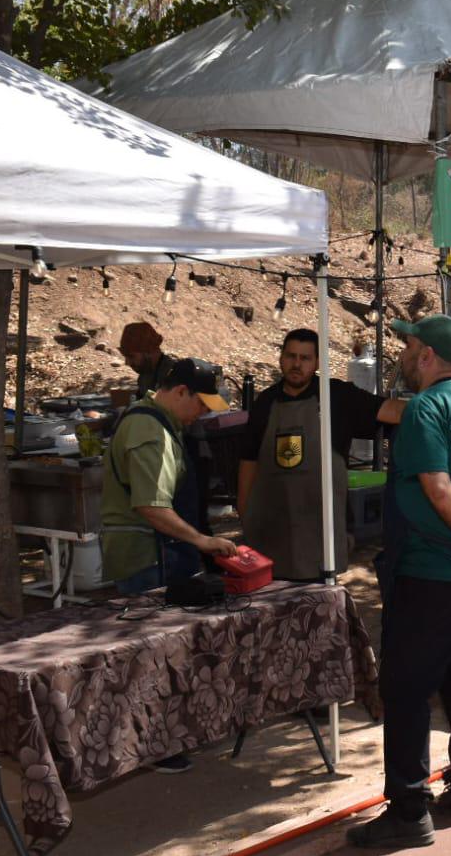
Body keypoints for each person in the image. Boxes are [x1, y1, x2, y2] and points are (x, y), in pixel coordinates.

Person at [347, 315, 451, 852]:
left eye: (407, 345)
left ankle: (408, 808)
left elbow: (436, 485)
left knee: (404, 689)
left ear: (425, 355)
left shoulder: (425, 408)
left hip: (429, 572)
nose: (401, 353)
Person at [100, 357, 239, 773]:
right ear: (180, 392)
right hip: (149, 555)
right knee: (152, 655)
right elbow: (150, 504)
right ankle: (152, 744)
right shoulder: (148, 429)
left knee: (165, 651)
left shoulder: (164, 424)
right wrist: (202, 541)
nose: (203, 413)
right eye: (200, 403)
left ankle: (164, 736)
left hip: (162, 552)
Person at [237, 328, 405, 582]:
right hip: (271, 534)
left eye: (305, 358)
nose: (296, 364)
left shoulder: (337, 397)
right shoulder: (265, 403)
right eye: (291, 356)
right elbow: (248, 461)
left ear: (317, 362)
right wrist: (244, 512)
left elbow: (392, 411)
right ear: (281, 358)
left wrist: (441, 401)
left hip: (320, 538)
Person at [118, 321, 176, 399]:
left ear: (149, 351)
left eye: (131, 357)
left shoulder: (172, 376)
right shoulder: (146, 374)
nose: (127, 363)